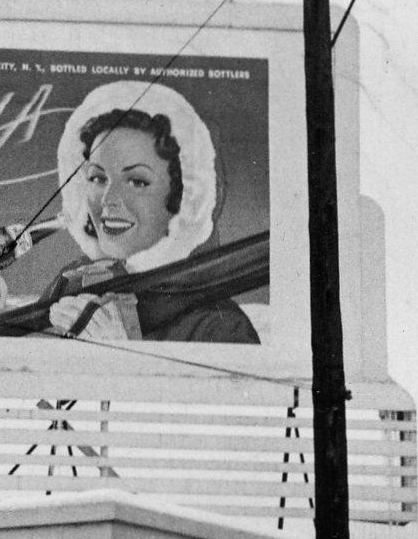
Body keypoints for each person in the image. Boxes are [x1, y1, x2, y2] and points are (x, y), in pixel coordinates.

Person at [37, 82, 260, 345]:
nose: (109, 199)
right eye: (97, 177)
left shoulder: (221, 327)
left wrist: (124, 357)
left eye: (137, 181)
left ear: (184, 197)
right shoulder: (71, 282)